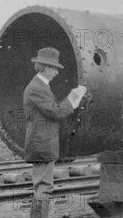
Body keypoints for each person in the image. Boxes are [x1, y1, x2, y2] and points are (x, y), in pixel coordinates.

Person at [24, 47, 84, 218]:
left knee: (42, 187)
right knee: (44, 187)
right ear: (45, 68)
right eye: (55, 68)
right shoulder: (36, 88)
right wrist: (73, 99)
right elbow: (56, 112)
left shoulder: (42, 86)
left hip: (43, 145)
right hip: (42, 146)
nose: (57, 72)